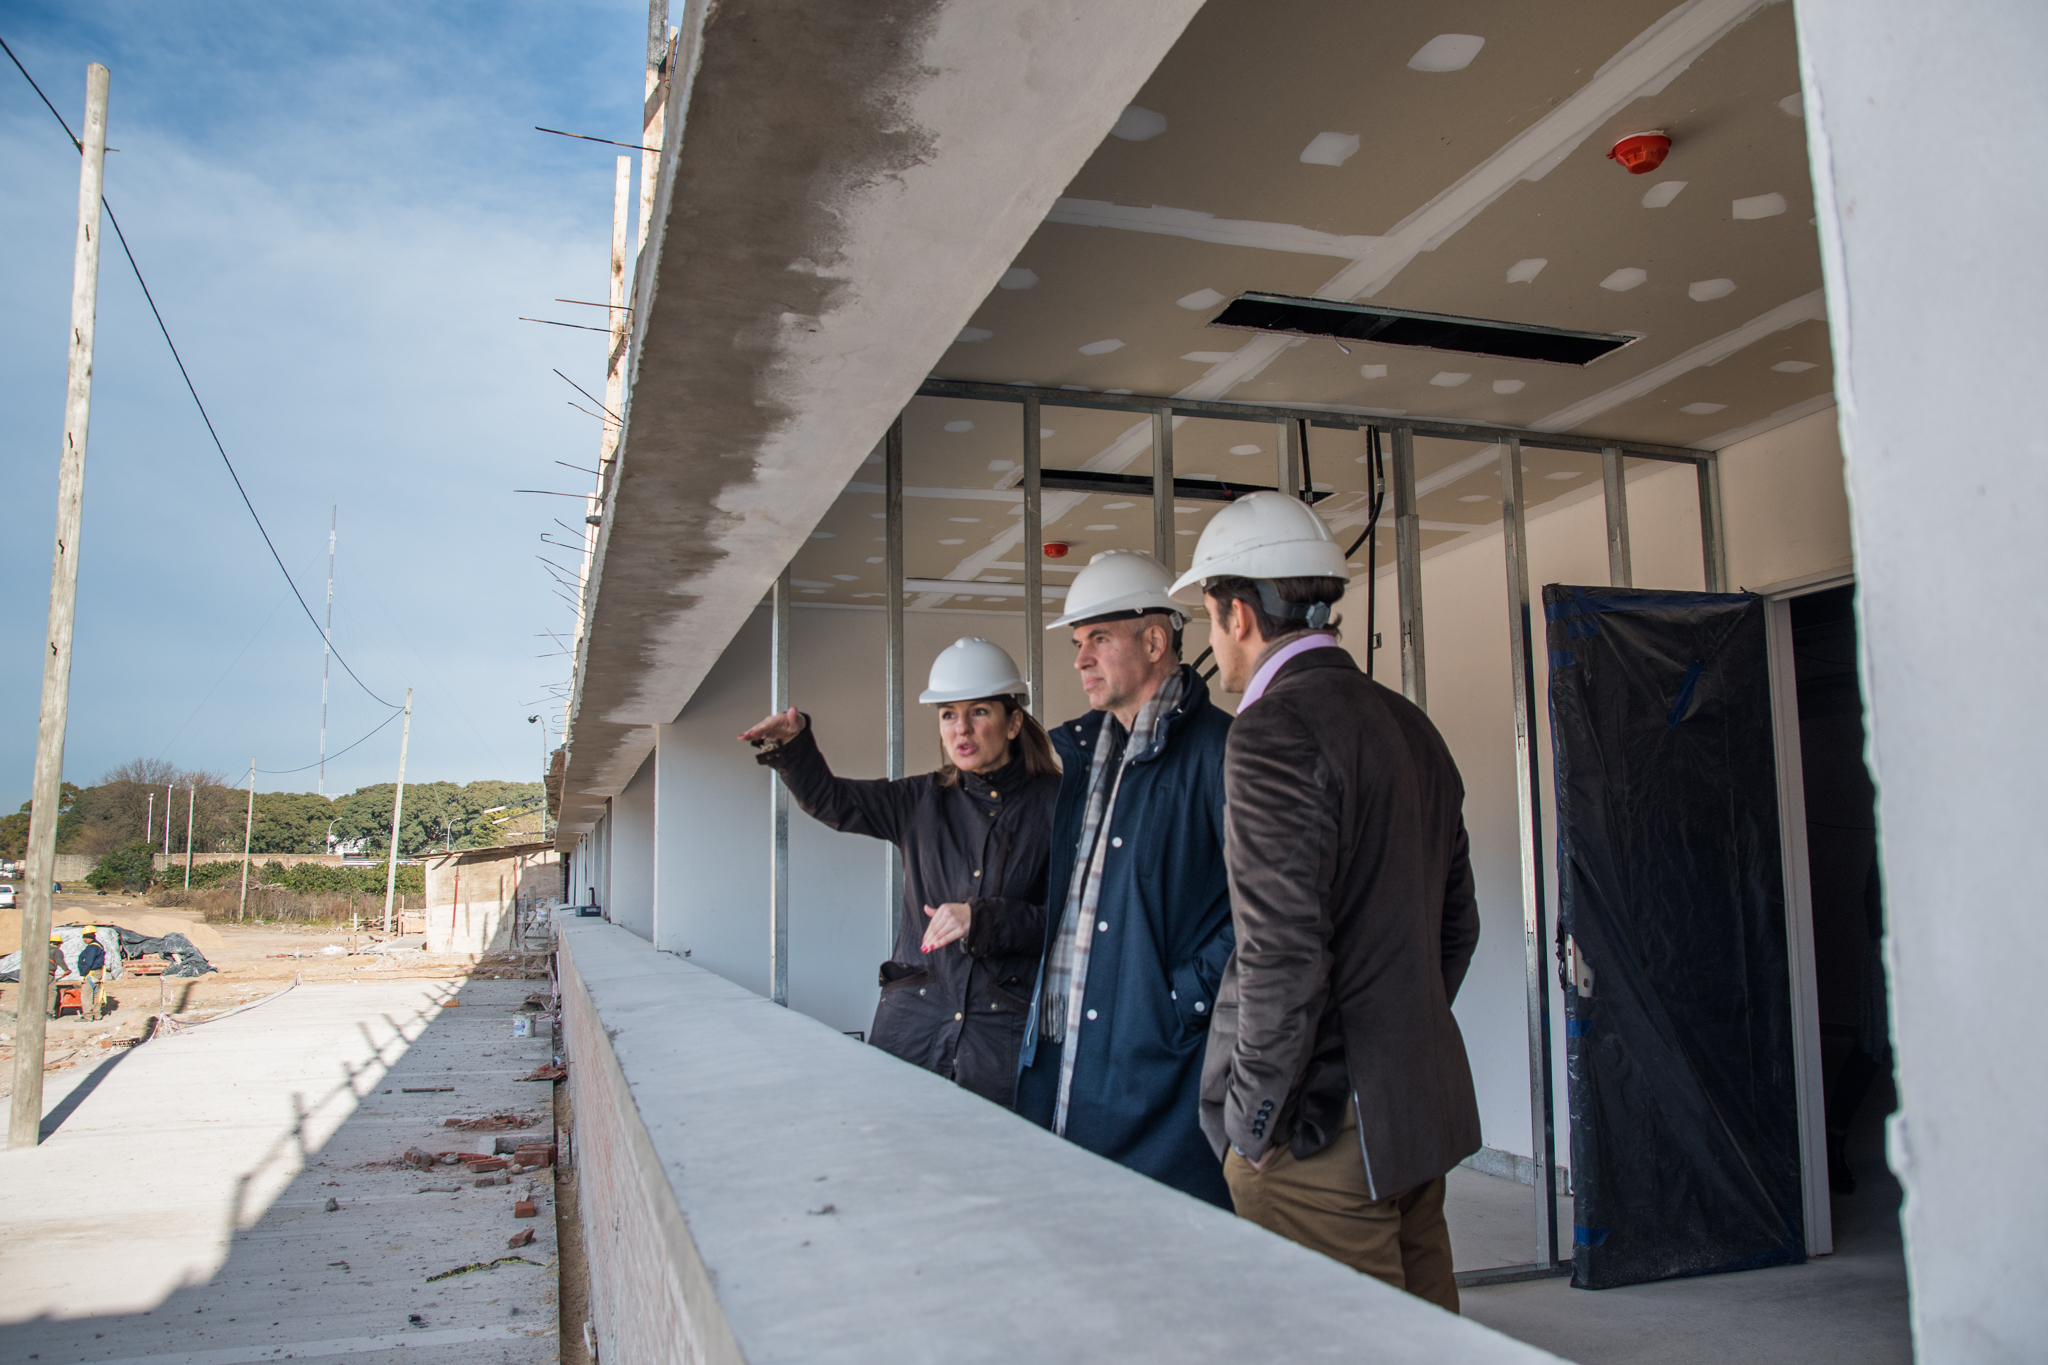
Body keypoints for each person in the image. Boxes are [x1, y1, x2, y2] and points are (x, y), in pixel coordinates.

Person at [1171, 492, 1482, 1311]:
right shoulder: (1411, 725)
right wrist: (1394, 1042)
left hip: (1317, 1132)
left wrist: (1256, 1119)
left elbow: (1282, 954)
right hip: (1413, 1113)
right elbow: (1457, 926)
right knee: (1427, 1329)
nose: (1212, 640)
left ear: (1239, 613)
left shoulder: (1272, 730)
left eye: (1208, 616)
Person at [740, 637, 1060, 1106]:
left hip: (1001, 1037)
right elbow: (833, 801)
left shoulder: (1059, 806)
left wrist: (987, 919)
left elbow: (1073, 923)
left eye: (980, 712)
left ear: (1013, 722)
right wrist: (793, 746)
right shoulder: (919, 800)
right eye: (948, 714)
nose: (961, 729)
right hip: (914, 1028)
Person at [1015, 550, 1236, 1207]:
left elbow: (1265, 916)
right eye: (1079, 643)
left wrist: (1176, 1002)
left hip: (1158, 1069)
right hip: (1068, 1055)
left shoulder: (1223, 752)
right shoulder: (1086, 759)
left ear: (1155, 639)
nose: (1080, 659)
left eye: (1098, 640)